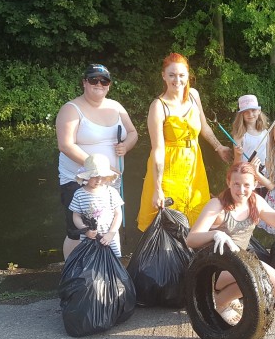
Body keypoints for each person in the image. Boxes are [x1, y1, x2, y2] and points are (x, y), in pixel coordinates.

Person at [186, 162, 275, 326]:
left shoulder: (255, 201)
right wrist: (215, 233)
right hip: (214, 269)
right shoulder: (217, 205)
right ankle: (219, 302)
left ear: (255, 184)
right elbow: (191, 239)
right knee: (253, 277)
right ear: (228, 182)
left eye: (246, 185)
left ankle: (227, 295)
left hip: (239, 262)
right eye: (236, 184)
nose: (241, 191)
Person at [137, 53, 233, 231]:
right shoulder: (158, 106)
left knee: (197, 214)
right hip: (169, 168)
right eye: (172, 75)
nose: (177, 80)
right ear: (163, 76)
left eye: (181, 75)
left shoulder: (194, 96)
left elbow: (204, 127)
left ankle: (193, 256)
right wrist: (158, 188)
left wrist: (218, 147)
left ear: (188, 75)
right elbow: (157, 150)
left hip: (194, 166)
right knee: (170, 219)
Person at [57, 64, 138, 260]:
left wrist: (126, 145)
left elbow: (134, 133)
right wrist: (98, 167)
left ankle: (107, 269)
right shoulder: (71, 109)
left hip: (110, 182)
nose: (99, 84)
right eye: (93, 80)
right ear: (84, 82)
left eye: (104, 81)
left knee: (109, 225)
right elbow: (65, 145)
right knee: (80, 229)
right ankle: (73, 273)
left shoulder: (116, 106)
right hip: (79, 181)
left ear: (109, 85)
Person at [69, 154, 125, 257]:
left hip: (109, 238)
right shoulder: (79, 194)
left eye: (102, 177)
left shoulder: (111, 192)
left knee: (113, 262)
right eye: (95, 176)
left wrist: (111, 233)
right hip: (89, 238)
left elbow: (118, 214)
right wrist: (85, 230)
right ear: (86, 176)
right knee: (89, 263)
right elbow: (76, 215)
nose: (99, 180)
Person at [231, 94, 270, 166]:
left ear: (259, 111)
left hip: (264, 173)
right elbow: (236, 164)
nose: (250, 114)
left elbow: (270, 155)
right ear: (241, 114)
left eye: (253, 110)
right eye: (246, 111)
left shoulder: (265, 132)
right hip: (247, 173)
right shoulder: (239, 135)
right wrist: (238, 154)